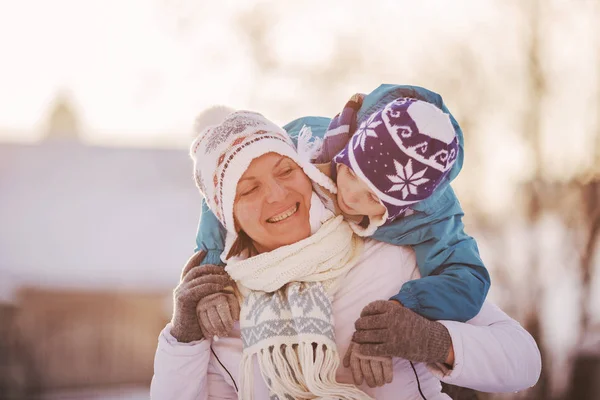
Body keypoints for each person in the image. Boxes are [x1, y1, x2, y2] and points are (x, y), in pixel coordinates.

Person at [150, 111, 541, 399]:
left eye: (286, 171)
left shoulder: (389, 254)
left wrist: (433, 340)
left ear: (307, 170)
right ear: (226, 213)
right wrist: (185, 338)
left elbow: (523, 362)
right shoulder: (226, 307)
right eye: (248, 189)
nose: (277, 195)